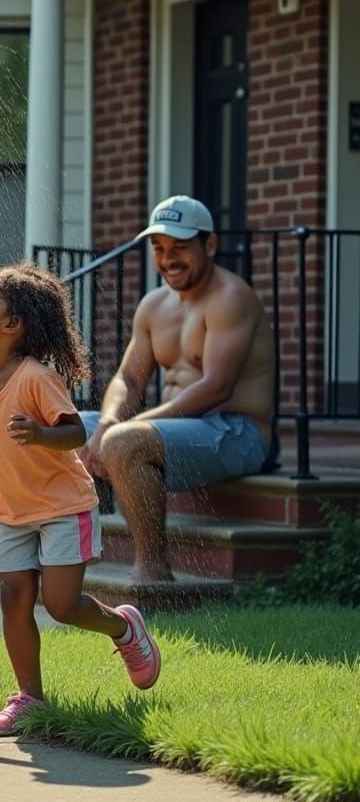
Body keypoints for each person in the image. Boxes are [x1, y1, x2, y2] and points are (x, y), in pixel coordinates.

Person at [0, 263, 161, 736]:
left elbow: (74, 432)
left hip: (63, 508)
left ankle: (124, 628)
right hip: (12, 511)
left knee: (62, 604)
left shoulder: (35, 377)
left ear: (12, 325)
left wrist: (39, 433)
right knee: (14, 598)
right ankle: (29, 696)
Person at [79, 195, 276, 584]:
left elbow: (216, 388)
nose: (168, 258)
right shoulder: (154, 306)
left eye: (180, 248)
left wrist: (117, 434)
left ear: (211, 245)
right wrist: (105, 423)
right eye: (159, 248)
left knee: (123, 442)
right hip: (179, 433)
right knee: (59, 427)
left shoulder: (231, 299)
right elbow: (129, 380)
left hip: (238, 433)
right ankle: (68, 554)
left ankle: (153, 571)